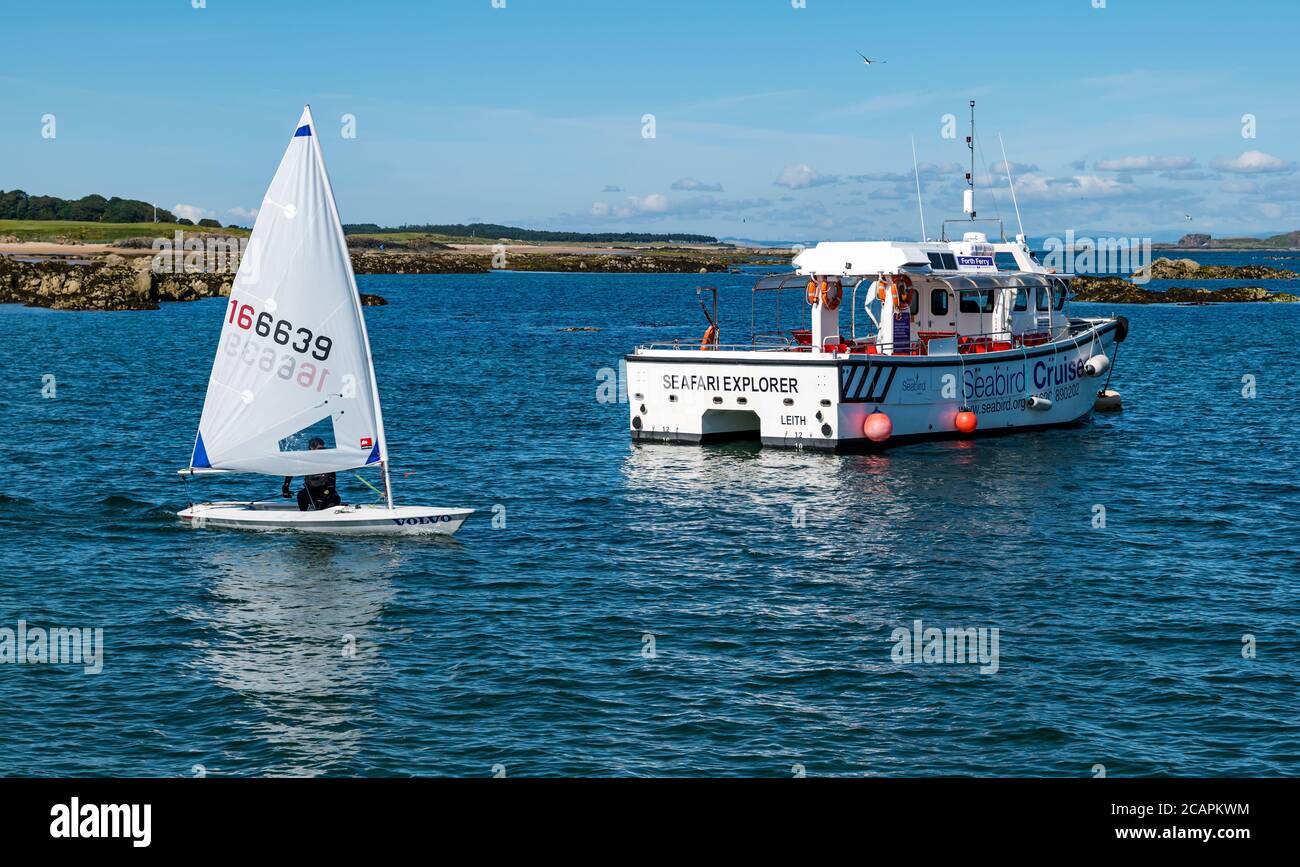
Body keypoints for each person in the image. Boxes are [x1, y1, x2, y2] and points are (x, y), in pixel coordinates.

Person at [282, 437, 341, 511]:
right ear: (311, 448)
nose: (321, 451)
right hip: (311, 493)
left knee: (334, 499)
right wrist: (285, 487)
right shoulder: (305, 461)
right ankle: (304, 517)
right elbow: (291, 471)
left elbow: (332, 485)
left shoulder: (327, 461)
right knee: (301, 495)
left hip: (327, 493)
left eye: (323, 449)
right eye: (319, 449)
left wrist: (323, 499)